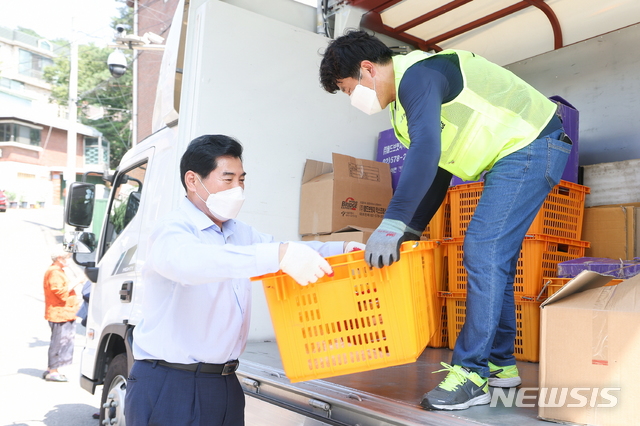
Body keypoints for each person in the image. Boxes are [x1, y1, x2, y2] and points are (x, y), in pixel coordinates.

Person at [319, 30, 571, 411]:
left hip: (532, 146)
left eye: (347, 88)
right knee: (493, 257)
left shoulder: (419, 77)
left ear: (367, 69)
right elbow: (438, 169)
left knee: (483, 249)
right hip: (516, 154)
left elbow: (425, 152)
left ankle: (471, 374)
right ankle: (501, 364)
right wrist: (409, 230)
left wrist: (391, 223)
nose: (352, 98)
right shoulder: (403, 108)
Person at [124, 134, 364, 426]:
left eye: (242, 179)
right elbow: (192, 264)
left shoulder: (240, 232)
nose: (238, 189)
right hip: (172, 382)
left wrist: (344, 249)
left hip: (223, 382)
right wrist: (278, 255)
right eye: (228, 179)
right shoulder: (173, 230)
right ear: (192, 180)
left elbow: (287, 249)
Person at [43, 246, 80, 382]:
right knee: (59, 343)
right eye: (67, 257)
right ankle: (53, 370)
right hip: (59, 314)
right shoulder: (54, 272)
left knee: (59, 342)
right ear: (59, 258)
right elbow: (61, 293)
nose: (69, 260)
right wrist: (78, 281)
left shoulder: (57, 271)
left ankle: (51, 368)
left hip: (62, 313)